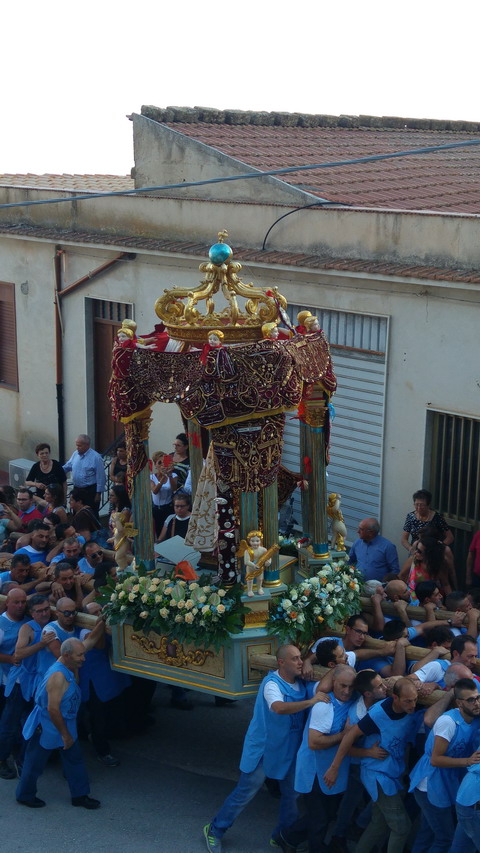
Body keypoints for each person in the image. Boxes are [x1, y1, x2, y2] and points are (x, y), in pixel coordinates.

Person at [203, 644, 326, 852]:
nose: (299, 662)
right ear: (281, 663)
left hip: (289, 750)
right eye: (295, 659)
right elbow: (278, 708)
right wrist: (311, 702)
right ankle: (215, 830)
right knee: (246, 792)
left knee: (292, 795)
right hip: (264, 749)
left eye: (300, 658)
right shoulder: (271, 684)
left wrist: (308, 660)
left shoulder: (300, 682)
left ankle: (282, 837)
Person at [333, 678, 424, 853]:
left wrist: (433, 686)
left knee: (378, 824)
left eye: (415, 700)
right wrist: (335, 767)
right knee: (402, 827)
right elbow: (350, 736)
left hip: (393, 773)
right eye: (408, 701)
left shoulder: (410, 706)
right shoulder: (378, 714)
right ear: (395, 698)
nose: (413, 705)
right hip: (377, 775)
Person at [279, 665, 356, 853]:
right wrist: (344, 735)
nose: (347, 691)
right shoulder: (324, 705)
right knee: (319, 818)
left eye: (351, 687)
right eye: (343, 686)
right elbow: (314, 742)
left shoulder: (352, 700)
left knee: (327, 814)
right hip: (314, 769)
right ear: (334, 683)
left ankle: (288, 837)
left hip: (330, 769)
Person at [16, 638, 101, 809]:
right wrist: (65, 735)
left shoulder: (70, 662)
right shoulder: (58, 677)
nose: (83, 658)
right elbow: (53, 710)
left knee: (74, 760)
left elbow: (90, 641)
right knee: (34, 763)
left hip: (65, 722)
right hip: (48, 725)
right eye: (80, 655)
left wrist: (102, 624)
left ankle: (80, 796)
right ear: (67, 655)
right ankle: (25, 795)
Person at [408, 677, 480, 853]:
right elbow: (435, 759)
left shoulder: (474, 718)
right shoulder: (448, 722)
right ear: (459, 703)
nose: (477, 703)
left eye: (478, 698)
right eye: (471, 700)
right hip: (430, 784)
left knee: (428, 831)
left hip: (447, 781)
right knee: (444, 838)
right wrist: (468, 761)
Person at [0, 595, 56, 780]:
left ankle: (23, 760)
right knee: (10, 723)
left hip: (38, 685)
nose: (44, 613)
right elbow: (19, 653)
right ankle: (1, 759)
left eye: (46, 609)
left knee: (32, 724)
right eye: (39, 611)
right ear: (32, 613)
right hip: (21, 683)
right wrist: (42, 643)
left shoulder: (52, 626)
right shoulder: (27, 627)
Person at [63, 434, 106, 514]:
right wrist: (57, 470)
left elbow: (101, 476)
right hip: (77, 489)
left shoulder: (96, 457)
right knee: (76, 513)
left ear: (87, 445)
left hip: (89, 491)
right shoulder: (75, 454)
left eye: (79, 446)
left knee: (90, 513)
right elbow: (68, 466)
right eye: (76, 445)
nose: (77, 447)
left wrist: (98, 493)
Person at [150, 453, 176, 537]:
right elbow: (155, 491)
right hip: (156, 509)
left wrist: (169, 475)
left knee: (169, 531)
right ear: (155, 465)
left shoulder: (173, 475)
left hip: (168, 507)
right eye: (159, 463)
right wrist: (162, 478)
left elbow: (174, 489)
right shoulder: (151, 477)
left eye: (164, 462)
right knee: (158, 531)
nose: (162, 465)